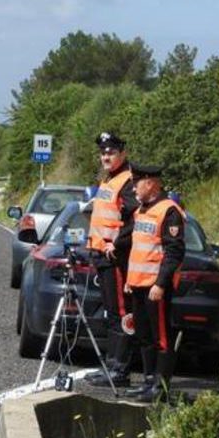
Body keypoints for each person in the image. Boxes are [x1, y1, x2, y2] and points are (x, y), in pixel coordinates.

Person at [124, 163, 185, 403]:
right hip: (138, 285)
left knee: (161, 338)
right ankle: (148, 381)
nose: (134, 188)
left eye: (137, 182)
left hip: (155, 287)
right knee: (144, 336)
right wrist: (130, 280)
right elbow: (139, 249)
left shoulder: (169, 211)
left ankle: (160, 387)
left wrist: (161, 284)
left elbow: (174, 253)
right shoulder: (141, 210)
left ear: (150, 183)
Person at [83, 132, 139, 387]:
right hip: (102, 257)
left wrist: (116, 243)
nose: (106, 156)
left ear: (122, 154)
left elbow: (133, 218)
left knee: (121, 314)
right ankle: (111, 364)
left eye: (111, 152)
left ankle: (120, 369)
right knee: (111, 314)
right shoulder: (109, 179)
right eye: (103, 153)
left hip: (117, 259)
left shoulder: (128, 181)